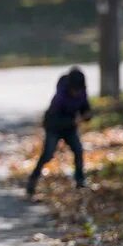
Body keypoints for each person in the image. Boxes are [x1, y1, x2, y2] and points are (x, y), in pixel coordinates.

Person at [26, 66, 92, 196]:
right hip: (54, 128)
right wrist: (70, 122)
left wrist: (87, 115)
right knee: (48, 154)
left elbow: (85, 108)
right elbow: (52, 119)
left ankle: (80, 180)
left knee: (78, 150)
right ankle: (33, 179)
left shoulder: (82, 93)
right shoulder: (60, 96)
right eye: (75, 90)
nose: (77, 93)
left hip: (70, 129)